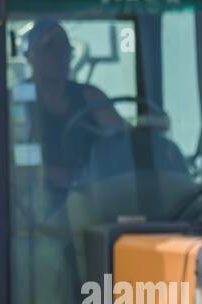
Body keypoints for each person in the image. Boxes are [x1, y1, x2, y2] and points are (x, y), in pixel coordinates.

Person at [25, 20, 126, 194]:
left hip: (93, 199)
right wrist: (48, 174)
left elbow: (123, 141)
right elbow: (15, 161)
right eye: (50, 49)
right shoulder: (19, 100)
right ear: (32, 56)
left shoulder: (90, 97)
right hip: (34, 205)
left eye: (65, 49)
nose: (60, 56)